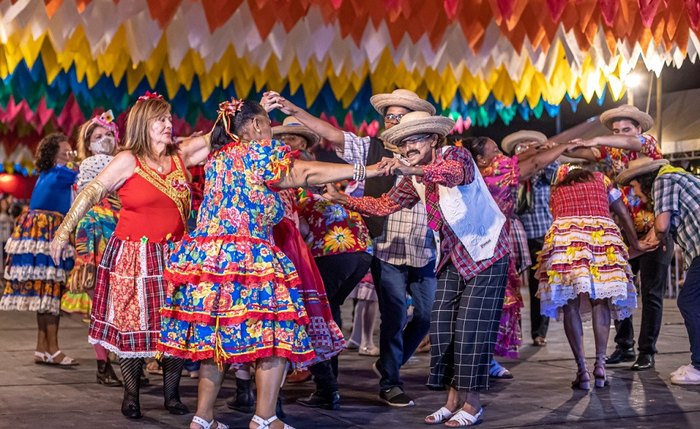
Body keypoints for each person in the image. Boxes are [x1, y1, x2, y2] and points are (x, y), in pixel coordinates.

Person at [156, 99, 387, 429]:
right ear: (253, 128)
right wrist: (369, 170)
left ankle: (203, 418)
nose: (270, 133)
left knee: (216, 339)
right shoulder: (259, 153)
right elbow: (302, 173)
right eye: (266, 125)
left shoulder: (218, 158)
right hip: (249, 257)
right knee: (274, 333)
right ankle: (265, 418)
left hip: (209, 262)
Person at [325, 111, 509, 427]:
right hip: (454, 256)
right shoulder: (415, 178)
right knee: (443, 328)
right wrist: (342, 198)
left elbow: (450, 174)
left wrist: (410, 168)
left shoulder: (457, 155)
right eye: (404, 141)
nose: (408, 146)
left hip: (487, 252)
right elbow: (383, 205)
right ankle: (452, 402)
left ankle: (473, 405)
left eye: (415, 139)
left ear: (434, 139)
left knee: (470, 331)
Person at [50, 93, 212, 419]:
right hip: (134, 256)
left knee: (174, 327)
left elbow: (217, 136)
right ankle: (131, 394)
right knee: (134, 327)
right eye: (160, 120)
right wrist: (64, 229)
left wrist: (257, 117)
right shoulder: (128, 160)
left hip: (176, 256)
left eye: (169, 119)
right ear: (143, 124)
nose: (169, 124)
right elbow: (92, 190)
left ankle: (172, 394)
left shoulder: (180, 155)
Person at [273, 89, 437, 408]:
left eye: (399, 115)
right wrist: (293, 107)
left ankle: (387, 364)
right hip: (384, 248)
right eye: (388, 115)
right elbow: (330, 132)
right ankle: (390, 382)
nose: (392, 120)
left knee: (426, 315)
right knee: (393, 313)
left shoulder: (430, 156)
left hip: (423, 248)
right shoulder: (370, 148)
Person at [462, 135, 578, 376]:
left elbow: (522, 159)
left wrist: (539, 147)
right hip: (484, 250)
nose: (500, 155)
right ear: (481, 159)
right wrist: (565, 146)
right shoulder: (492, 175)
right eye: (495, 150)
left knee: (494, 306)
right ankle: (476, 363)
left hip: (490, 246)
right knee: (487, 307)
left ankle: (485, 360)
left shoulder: (479, 169)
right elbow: (533, 164)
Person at [566, 104, 671, 371]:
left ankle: (647, 351)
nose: (621, 134)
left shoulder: (647, 144)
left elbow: (623, 143)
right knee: (616, 289)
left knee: (651, 292)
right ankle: (624, 346)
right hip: (623, 232)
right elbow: (582, 152)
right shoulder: (609, 150)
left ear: (637, 129)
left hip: (656, 229)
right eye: (616, 130)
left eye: (626, 129)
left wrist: (597, 137)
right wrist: (560, 147)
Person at [535, 164, 640, 389]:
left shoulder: (556, 190)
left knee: (570, 304)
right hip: (601, 235)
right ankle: (600, 366)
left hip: (566, 237)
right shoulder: (602, 180)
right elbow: (621, 211)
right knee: (600, 300)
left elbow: (556, 214)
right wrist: (635, 242)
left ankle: (582, 370)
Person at [617, 157, 700, 384]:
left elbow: (660, 227)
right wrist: (621, 257)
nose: (634, 193)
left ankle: (699, 366)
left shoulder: (664, 179)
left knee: (689, 302)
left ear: (643, 180)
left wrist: (628, 251)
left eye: (633, 186)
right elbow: (655, 237)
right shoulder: (677, 179)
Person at [0, 133, 78, 366]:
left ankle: (42, 348)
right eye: (66, 151)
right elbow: (84, 174)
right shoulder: (63, 172)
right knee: (51, 291)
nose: (70, 154)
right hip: (49, 233)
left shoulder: (47, 173)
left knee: (45, 293)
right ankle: (53, 350)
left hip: (37, 233)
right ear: (55, 154)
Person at [62, 111, 123, 387]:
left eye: (109, 134)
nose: (105, 140)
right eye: (98, 136)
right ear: (88, 142)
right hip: (94, 233)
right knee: (99, 302)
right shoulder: (90, 166)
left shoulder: (123, 163)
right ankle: (103, 364)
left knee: (119, 302)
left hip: (119, 229)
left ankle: (127, 361)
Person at [502, 130, 558, 347]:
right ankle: (510, 335)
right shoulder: (509, 171)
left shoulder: (544, 172)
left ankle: (539, 332)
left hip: (540, 234)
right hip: (513, 236)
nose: (526, 149)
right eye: (521, 146)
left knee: (539, 287)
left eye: (531, 146)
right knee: (508, 288)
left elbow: (555, 169)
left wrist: (545, 153)